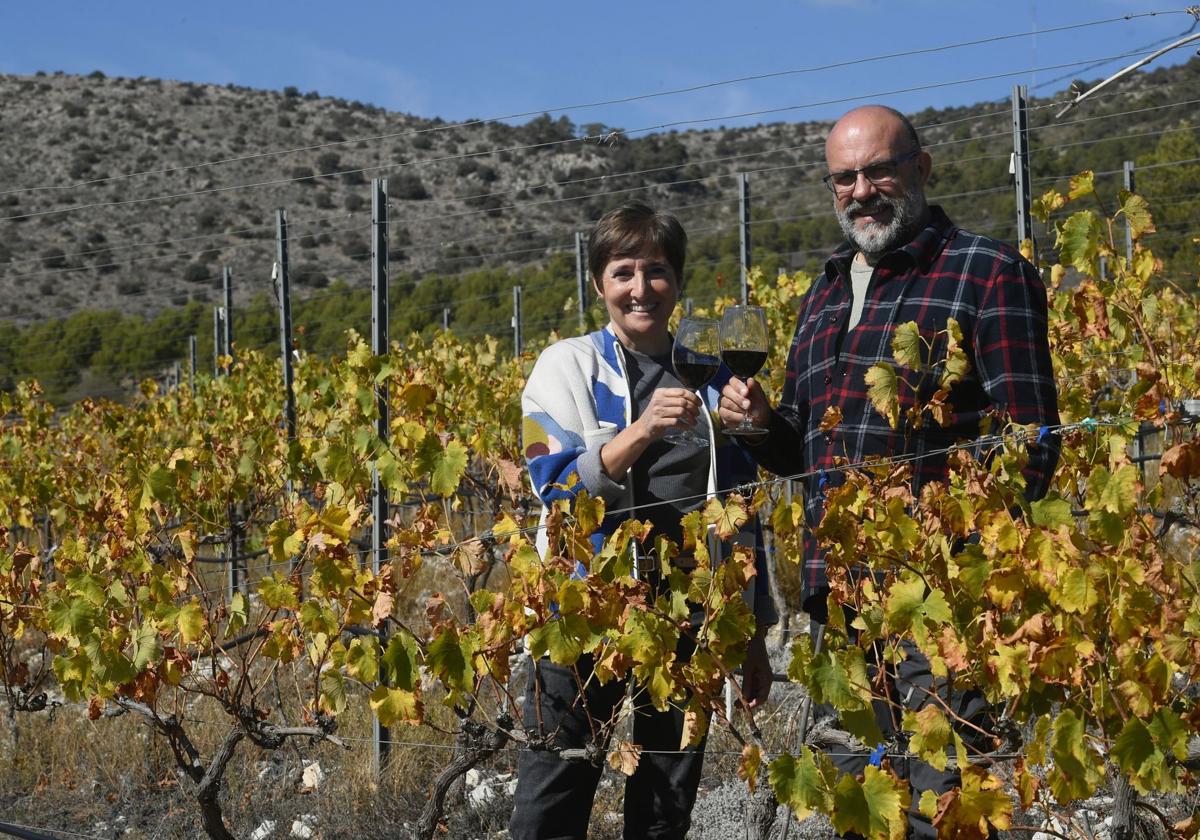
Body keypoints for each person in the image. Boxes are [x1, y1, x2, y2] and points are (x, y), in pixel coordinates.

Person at [719, 105, 1060, 837]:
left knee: (952, 801)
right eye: (844, 177)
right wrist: (759, 429)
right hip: (837, 601)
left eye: (878, 170)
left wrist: (957, 557)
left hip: (940, 604)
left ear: (922, 170)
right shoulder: (823, 293)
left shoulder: (987, 272)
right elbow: (804, 454)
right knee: (860, 801)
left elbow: (1032, 444)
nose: (862, 190)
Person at [512, 202, 779, 840]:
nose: (640, 288)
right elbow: (551, 484)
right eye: (623, 271)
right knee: (551, 797)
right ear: (599, 283)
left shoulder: (715, 380)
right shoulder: (563, 367)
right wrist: (639, 431)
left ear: (678, 282)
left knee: (663, 807)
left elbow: (740, 515)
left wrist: (752, 633)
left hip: (688, 618)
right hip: (582, 612)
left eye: (656, 271)